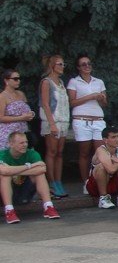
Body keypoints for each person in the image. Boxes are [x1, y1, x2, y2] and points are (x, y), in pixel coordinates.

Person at [1, 131, 61, 223]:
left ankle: (48, 206)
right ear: (11, 144)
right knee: (5, 176)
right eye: (21, 143)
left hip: (25, 189)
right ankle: (9, 210)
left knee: (39, 174)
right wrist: (29, 166)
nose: (25, 145)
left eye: (26, 142)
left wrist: (13, 171)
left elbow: (42, 169)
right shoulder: (2, 154)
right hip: (7, 192)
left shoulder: (32, 154)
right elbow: (4, 171)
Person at [66, 54, 108, 181]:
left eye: (89, 63)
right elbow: (72, 102)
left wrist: (101, 98)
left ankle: (101, 179)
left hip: (98, 119)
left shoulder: (99, 81)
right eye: (83, 64)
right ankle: (86, 181)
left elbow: (105, 104)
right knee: (84, 153)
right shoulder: (74, 81)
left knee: (101, 152)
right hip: (81, 119)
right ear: (78, 67)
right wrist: (91, 96)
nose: (87, 66)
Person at [38, 54, 70, 198]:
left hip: (63, 121)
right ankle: (51, 182)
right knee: (51, 151)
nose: (62, 67)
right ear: (52, 66)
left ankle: (58, 180)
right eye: (59, 64)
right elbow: (45, 104)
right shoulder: (46, 82)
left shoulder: (61, 82)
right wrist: (52, 124)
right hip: (52, 122)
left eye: (63, 64)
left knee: (59, 152)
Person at [86, 125, 118, 208]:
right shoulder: (101, 150)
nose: (117, 139)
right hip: (96, 187)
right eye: (113, 137)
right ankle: (103, 198)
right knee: (101, 167)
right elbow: (111, 170)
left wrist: (117, 159)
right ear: (105, 140)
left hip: (114, 184)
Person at [0, 68, 35, 152]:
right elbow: (1, 118)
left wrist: (30, 114)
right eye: (15, 79)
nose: (18, 81)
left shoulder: (21, 94)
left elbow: (27, 110)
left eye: (19, 79)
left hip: (23, 131)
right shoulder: (2, 97)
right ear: (6, 80)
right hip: (9, 133)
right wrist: (20, 118)